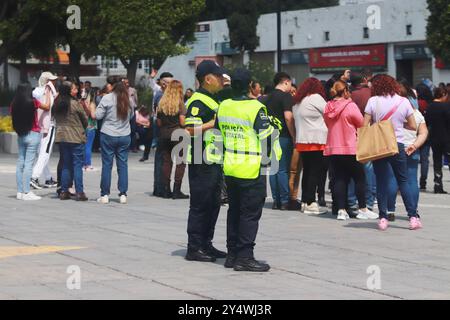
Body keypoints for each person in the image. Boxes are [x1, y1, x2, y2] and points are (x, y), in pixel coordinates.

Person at [217, 68, 279, 272]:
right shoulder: (255, 107)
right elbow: (267, 138)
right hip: (251, 169)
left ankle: (232, 254)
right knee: (250, 214)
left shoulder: (223, 106)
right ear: (250, 86)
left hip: (231, 167)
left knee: (234, 211)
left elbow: (218, 134)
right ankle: (245, 256)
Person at [364, 74, 419, 231]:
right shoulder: (403, 101)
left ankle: (383, 218)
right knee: (403, 180)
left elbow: (364, 125)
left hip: (380, 146)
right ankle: (413, 217)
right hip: (398, 145)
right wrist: (398, 126)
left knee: (381, 181)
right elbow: (413, 126)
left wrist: (378, 126)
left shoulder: (373, 101)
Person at [184, 60, 227, 262]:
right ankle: (194, 247)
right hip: (201, 160)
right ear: (208, 79)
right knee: (200, 204)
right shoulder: (197, 101)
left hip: (214, 159)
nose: (221, 80)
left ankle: (206, 244)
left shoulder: (212, 100)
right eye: (218, 77)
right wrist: (211, 124)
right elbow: (189, 130)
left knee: (213, 204)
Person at [324, 80, 377, 221]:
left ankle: (341, 210)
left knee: (340, 179)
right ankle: (363, 208)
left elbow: (327, 123)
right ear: (346, 91)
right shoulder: (350, 106)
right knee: (360, 178)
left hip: (333, 147)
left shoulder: (328, 107)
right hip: (350, 147)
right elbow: (361, 123)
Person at [387, 80, 429, 221]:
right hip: (411, 149)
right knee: (411, 180)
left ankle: (390, 210)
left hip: (394, 148)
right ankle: (413, 210)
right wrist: (415, 145)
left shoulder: (389, 110)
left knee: (392, 179)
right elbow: (423, 132)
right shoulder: (416, 113)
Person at [89, 77, 132, 204]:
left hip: (108, 134)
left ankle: (105, 195)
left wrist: (92, 105)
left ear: (112, 86)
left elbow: (97, 116)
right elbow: (132, 115)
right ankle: (123, 194)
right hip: (124, 134)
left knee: (107, 165)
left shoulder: (107, 98)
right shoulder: (127, 98)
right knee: (122, 165)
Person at [293, 78, 329, 215]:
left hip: (302, 140)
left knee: (307, 171)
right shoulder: (316, 98)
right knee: (315, 172)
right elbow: (329, 112)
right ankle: (310, 203)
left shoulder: (299, 100)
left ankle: (305, 201)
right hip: (316, 140)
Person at [12, 83, 51, 201]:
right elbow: (47, 107)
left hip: (21, 134)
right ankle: (27, 192)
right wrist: (48, 94)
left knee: (21, 163)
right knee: (29, 164)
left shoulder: (14, 103)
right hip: (33, 134)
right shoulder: (33, 102)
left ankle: (19, 192)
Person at [263, 72, 295, 211]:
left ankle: (276, 200)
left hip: (270, 134)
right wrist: (293, 135)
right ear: (286, 82)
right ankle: (285, 200)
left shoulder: (268, 97)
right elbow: (288, 117)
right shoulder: (286, 96)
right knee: (282, 169)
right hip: (283, 136)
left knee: (274, 169)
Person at [53, 82, 88, 201]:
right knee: (77, 164)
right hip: (76, 137)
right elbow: (85, 120)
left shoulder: (57, 103)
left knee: (66, 164)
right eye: (73, 88)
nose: (76, 90)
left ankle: (64, 191)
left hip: (62, 137)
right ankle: (79, 192)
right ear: (68, 91)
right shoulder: (75, 104)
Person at [157, 80, 188, 199]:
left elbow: (159, 122)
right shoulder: (180, 103)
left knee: (166, 162)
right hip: (178, 134)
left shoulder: (162, 103)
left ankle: (166, 190)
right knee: (180, 163)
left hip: (164, 134)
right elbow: (182, 121)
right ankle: (177, 190)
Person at [30, 72, 59, 190]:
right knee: (45, 153)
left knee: (42, 152)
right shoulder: (47, 92)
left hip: (38, 125)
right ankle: (34, 177)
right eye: (52, 80)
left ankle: (48, 178)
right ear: (47, 81)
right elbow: (49, 106)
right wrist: (51, 89)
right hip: (48, 125)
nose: (54, 82)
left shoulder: (36, 91)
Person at [149, 69, 174, 197]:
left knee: (165, 158)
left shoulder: (168, 95)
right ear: (163, 83)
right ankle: (159, 187)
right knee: (161, 158)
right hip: (161, 128)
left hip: (167, 129)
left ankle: (161, 186)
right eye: (169, 83)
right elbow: (159, 115)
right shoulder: (160, 95)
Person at [425, 87, 450, 194]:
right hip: (446, 138)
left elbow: (426, 122)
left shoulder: (429, 106)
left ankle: (438, 186)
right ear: (443, 94)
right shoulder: (446, 106)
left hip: (434, 138)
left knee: (437, 162)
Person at [416, 83, 433, 190]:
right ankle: (423, 182)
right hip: (426, 135)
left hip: (414, 134)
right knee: (424, 160)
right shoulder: (430, 104)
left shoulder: (415, 103)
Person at [82, 89, 97, 171]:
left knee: (84, 146)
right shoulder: (92, 104)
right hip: (91, 126)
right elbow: (93, 115)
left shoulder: (83, 103)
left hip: (84, 126)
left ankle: (84, 164)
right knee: (88, 146)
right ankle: (88, 164)